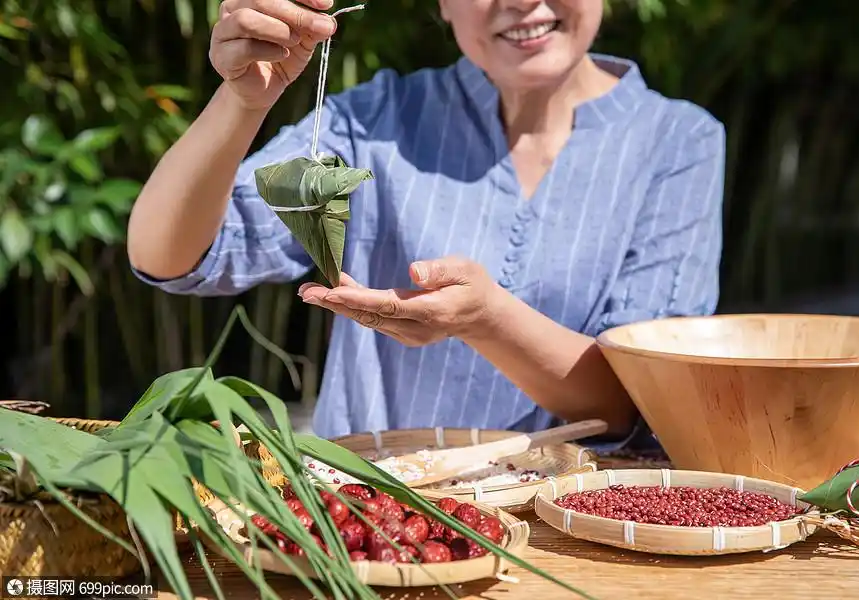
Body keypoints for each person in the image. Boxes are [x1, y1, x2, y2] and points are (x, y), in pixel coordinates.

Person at [127, 0, 725, 447]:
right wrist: (240, 101)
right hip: (360, 524)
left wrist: (485, 319)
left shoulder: (679, 143)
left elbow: (643, 398)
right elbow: (171, 257)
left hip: (567, 540)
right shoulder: (374, 121)